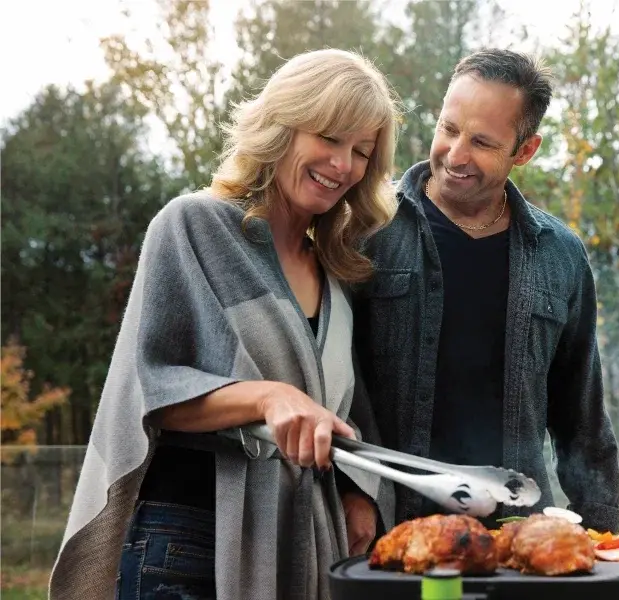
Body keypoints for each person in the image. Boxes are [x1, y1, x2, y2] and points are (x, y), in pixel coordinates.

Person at [49, 48, 401, 600]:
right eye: (330, 138)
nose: (342, 165)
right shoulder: (193, 226)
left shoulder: (334, 274)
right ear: (282, 126)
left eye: (361, 152)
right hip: (189, 539)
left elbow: (345, 409)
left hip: (300, 539)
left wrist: (359, 491)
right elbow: (150, 390)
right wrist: (267, 397)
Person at [353, 49, 619, 533]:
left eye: (481, 142)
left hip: (514, 538)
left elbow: (582, 420)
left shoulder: (560, 256)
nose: (456, 154)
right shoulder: (367, 227)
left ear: (525, 150)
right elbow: (330, 387)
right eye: (449, 128)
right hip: (385, 530)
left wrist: (601, 536)